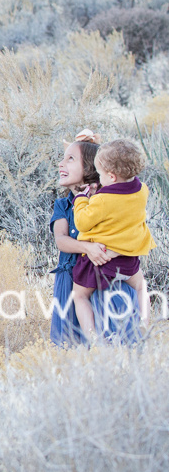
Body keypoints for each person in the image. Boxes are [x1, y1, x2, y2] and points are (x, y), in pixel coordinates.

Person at [50, 131, 139, 345]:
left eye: (70, 159)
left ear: (90, 167)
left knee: (115, 342)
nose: (61, 164)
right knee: (71, 345)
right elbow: (61, 240)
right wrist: (86, 247)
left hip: (105, 278)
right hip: (71, 279)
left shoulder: (106, 200)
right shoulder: (63, 205)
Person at [71, 138, 154, 337]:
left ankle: (93, 339)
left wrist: (81, 199)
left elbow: (82, 222)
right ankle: (145, 324)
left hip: (100, 262)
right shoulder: (142, 190)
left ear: (112, 176)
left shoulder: (102, 199)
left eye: (100, 175)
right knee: (142, 287)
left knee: (80, 296)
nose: (99, 179)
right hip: (128, 262)